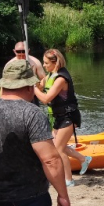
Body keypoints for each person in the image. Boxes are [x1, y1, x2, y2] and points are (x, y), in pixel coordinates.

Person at [0, 60, 71, 206]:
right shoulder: (32, 114)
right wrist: (63, 194)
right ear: (28, 86)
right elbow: (50, 159)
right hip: (31, 197)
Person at [35, 49, 91, 187]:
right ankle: (83, 159)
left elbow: (46, 98)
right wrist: (32, 79)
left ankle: (69, 180)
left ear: (55, 63)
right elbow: (40, 86)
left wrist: (34, 89)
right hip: (57, 117)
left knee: (59, 149)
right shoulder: (50, 75)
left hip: (69, 116)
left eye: (46, 63)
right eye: (43, 62)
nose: (44, 65)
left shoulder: (61, 79)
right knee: (58, 146)